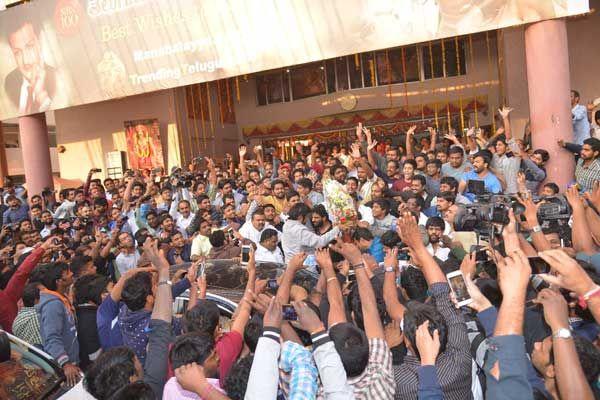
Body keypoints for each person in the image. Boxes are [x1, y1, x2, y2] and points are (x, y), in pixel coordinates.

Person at [37, 261, 81, 386]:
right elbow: (51, 337)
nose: (72, 273)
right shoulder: (53, 305)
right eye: (67, 273)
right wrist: (65, 364)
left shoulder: (61, 297)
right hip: (67, 367)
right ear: (59, 281)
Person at [5, 20, 56, 114]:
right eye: (17, 52)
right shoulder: (9, 83)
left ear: (39, 43)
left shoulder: (57, 79)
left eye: (29, 46)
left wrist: (42, 96)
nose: (25, 61)